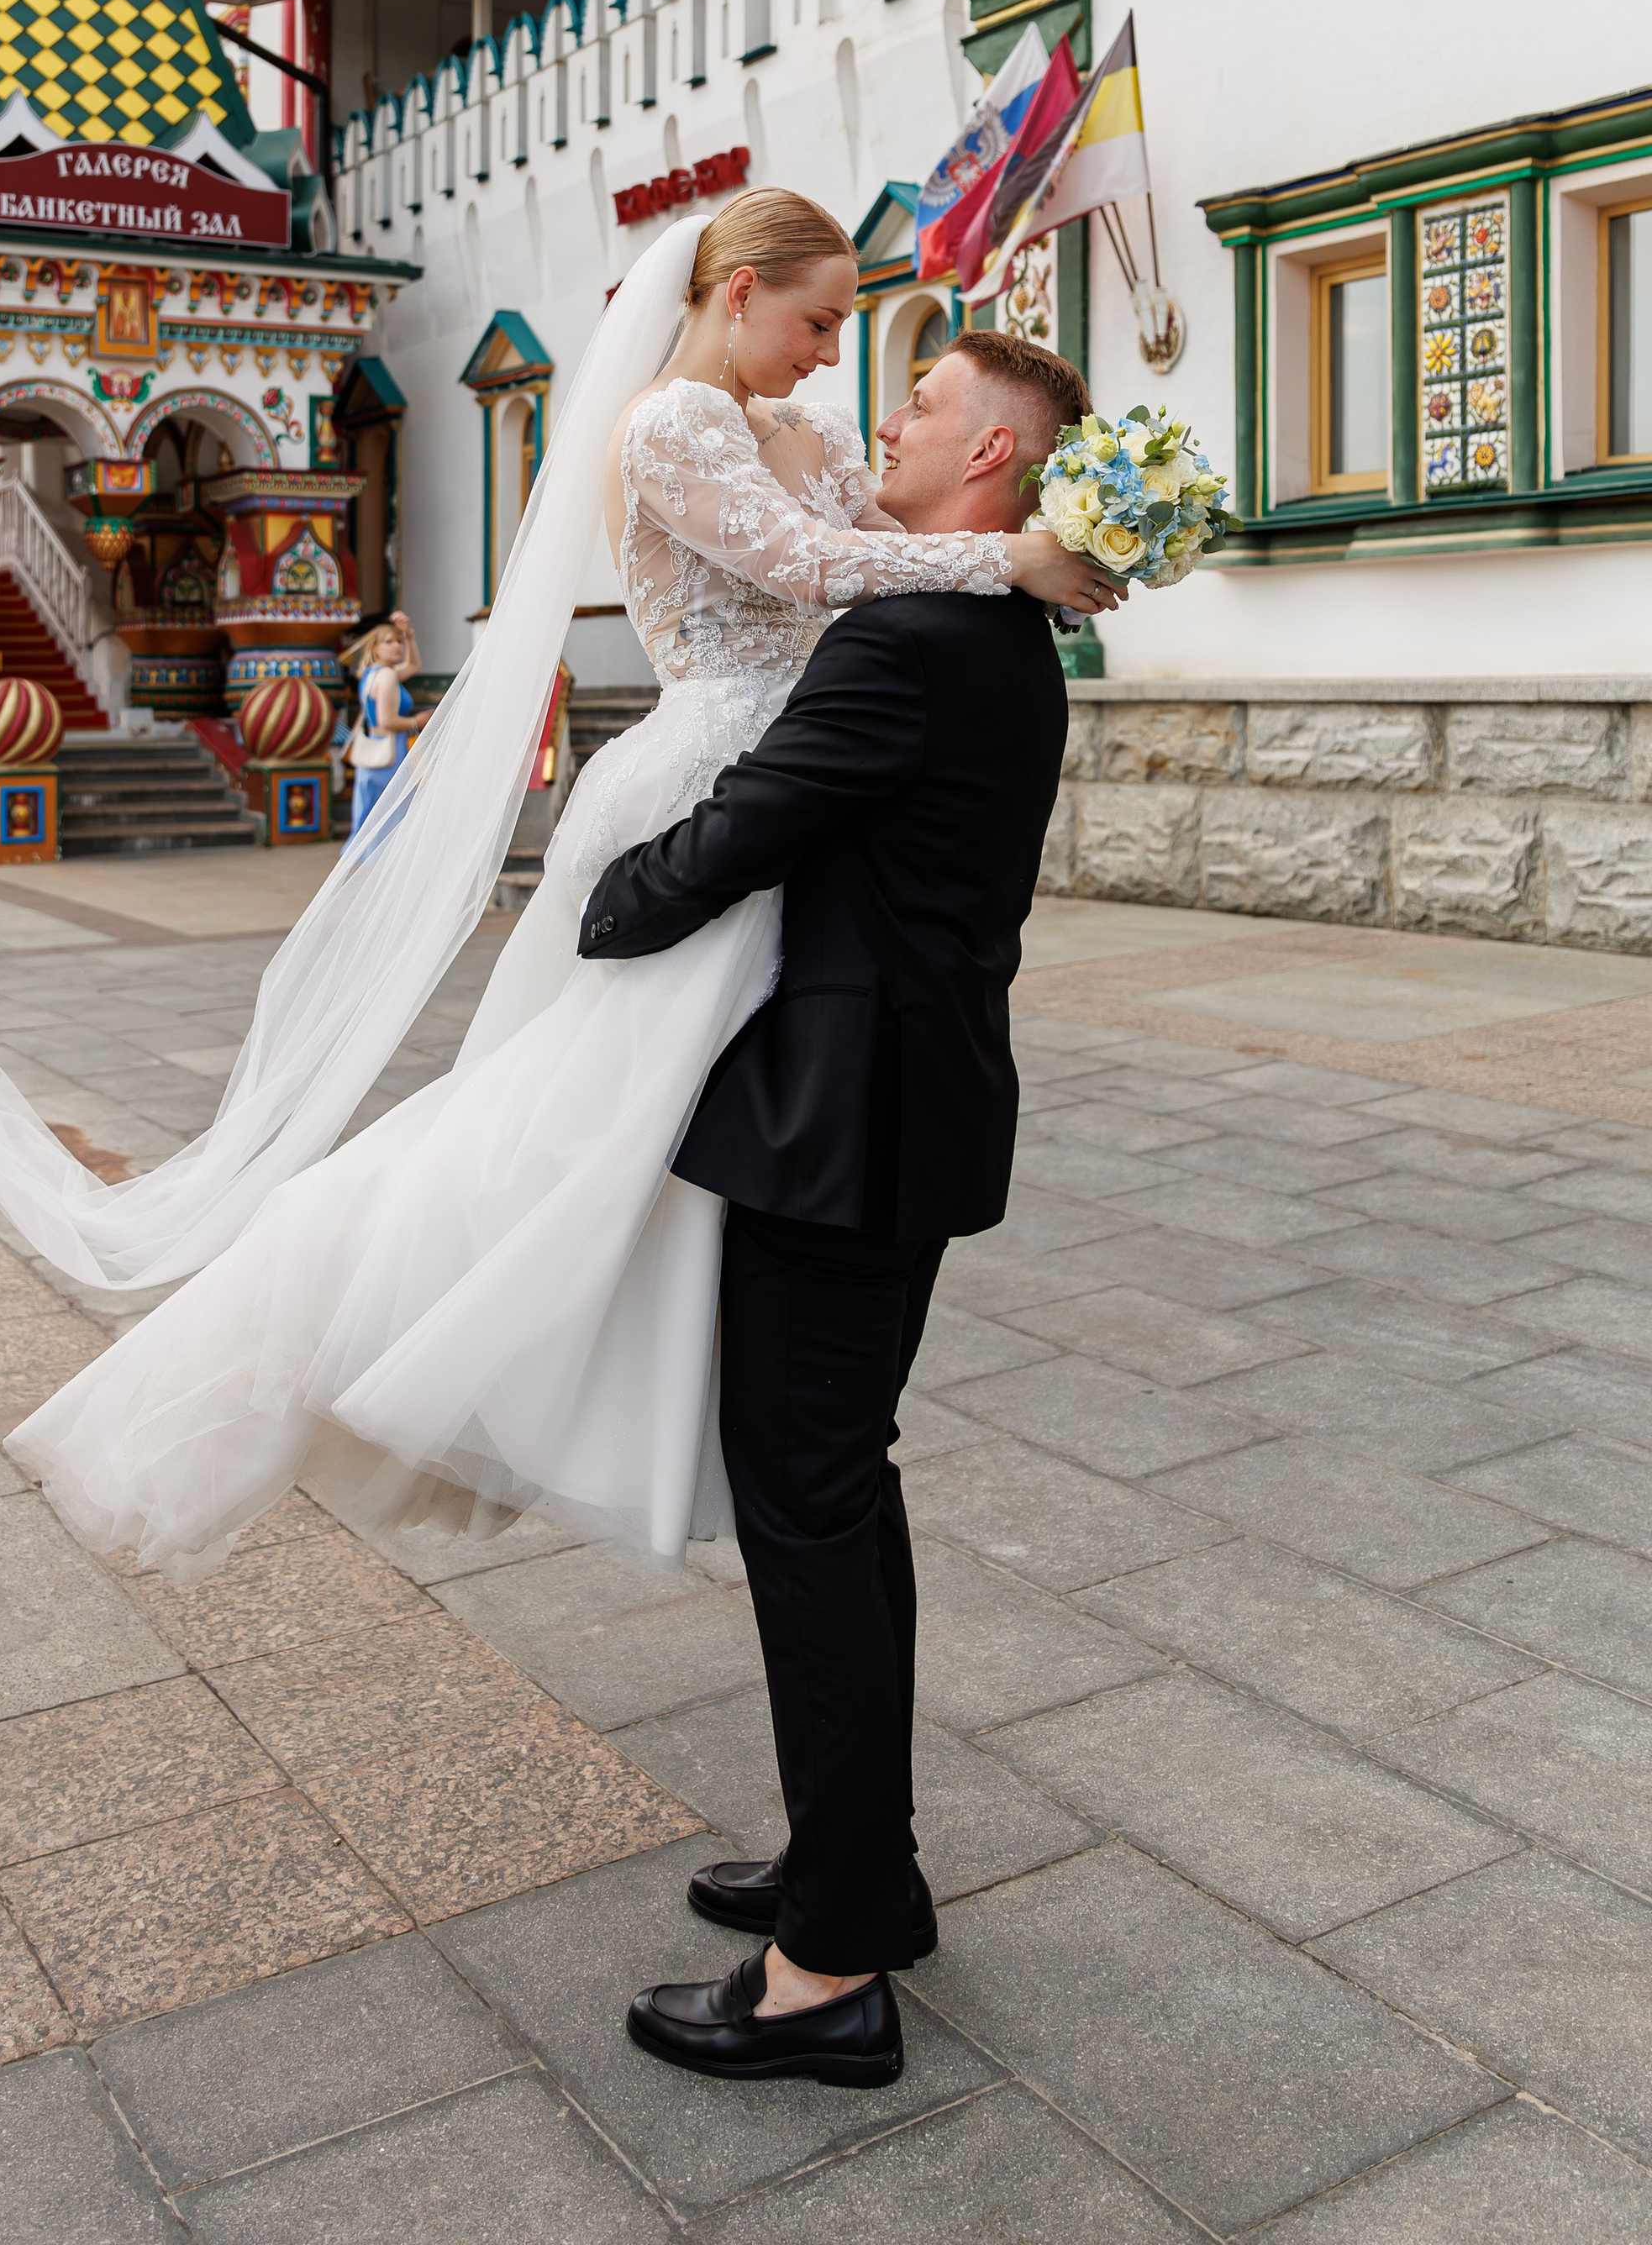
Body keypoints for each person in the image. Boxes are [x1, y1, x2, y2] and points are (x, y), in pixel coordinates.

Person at [0, 195, 1117, 1577]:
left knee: (689, 1101)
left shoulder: (815, 433)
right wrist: (1015, 557)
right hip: (707, 775)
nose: (836, 355)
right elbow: (811, 567)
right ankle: (408, 1338)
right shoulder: (670, 424)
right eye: (819, 320)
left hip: (806, 779)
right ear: (741, 291)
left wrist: (1045, 540)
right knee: (570, 1109)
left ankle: (670, 1371)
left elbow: (887, 545)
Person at [577, 330, 1088, 2092]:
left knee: (807, 1510)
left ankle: (826, 1975)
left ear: (993, 458)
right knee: (842, 1491)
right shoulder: (996, 630)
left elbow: (751, 828)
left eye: (925, 403)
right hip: (907, 1106)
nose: (889, 415)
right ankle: (862, 1869)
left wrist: (601, 900)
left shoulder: (905, 637)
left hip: (838, 1126)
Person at [342, 613, 421, 832]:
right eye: (389, 642)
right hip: (390, 749)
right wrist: (417, 721)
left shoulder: (371, 674)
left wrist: (409, 636)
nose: (397, 646)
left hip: (374, 749)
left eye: (398, 641)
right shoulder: (387, 676)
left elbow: (414, 665)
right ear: (375, 648)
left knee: (369, 818)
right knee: (389, 819)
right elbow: (387, 721)